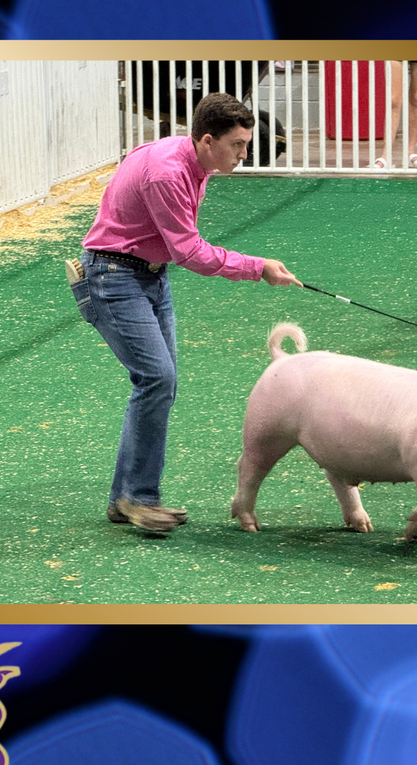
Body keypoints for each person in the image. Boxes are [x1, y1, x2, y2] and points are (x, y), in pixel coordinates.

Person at [73, 93, 301, 533]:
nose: (244, 153)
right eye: (237, 145)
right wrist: (258, 268)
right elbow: (190, 251)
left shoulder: (193, 162)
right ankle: (137, 497)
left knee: (159, 381)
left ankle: (129, 498)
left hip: (144, 274)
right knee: (157, 379)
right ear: (207, 140)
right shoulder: (167, 173)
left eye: (246, 143)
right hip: (115, 276)